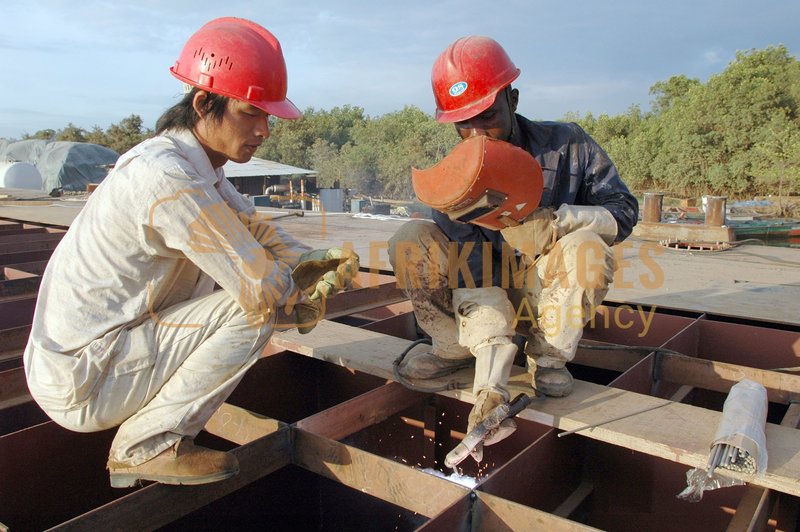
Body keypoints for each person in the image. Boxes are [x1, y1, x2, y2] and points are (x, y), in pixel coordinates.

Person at [23, 17, 357, 488]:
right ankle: (144, 447)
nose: (264, 129)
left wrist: (310, 259)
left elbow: (255, 230)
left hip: (101, 353)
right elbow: (260, 285)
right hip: (85, 378)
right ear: (203, 102)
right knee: (253, 309)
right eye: (250, 113)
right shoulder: (166, 177)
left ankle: (150, 429)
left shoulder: (201, 169)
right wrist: (295, 291)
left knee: (258, 288)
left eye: (269, 117)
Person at [388, 36, 638, 453]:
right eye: (463, 124)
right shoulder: (457, 179)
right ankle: (453, 349)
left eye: (487, 117)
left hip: (542, 292)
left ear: (513, 99)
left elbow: (624, 210)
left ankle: (549, 357)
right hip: (484, 294)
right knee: (410, 241)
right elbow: (475, 276)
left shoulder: (570, 147)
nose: (476, 134)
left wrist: (556, 223)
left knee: (588, 250)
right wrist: (490, 387)